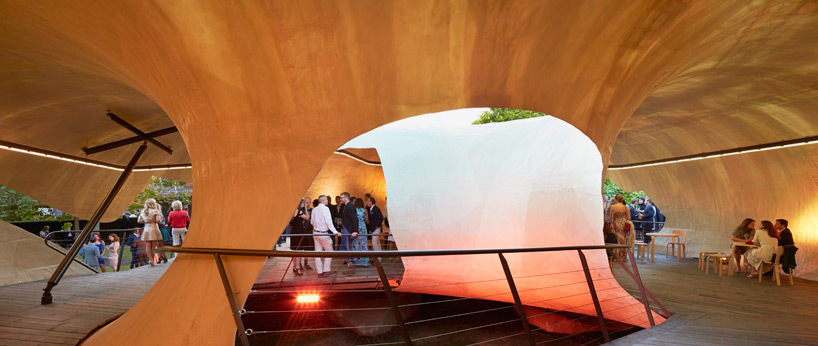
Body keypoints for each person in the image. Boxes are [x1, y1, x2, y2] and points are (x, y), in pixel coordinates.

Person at [310, 195, 339, 276]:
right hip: (323, 233)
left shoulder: (314, 209)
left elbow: (311, 222)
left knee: (317, 253)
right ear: (323, 200)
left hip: (315, 233)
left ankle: (319, 271)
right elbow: (329, 222)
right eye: (326, 199)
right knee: (329, 250)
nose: (327, 201)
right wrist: (335, 232)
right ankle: (326, 270)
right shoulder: (326, 209)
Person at [289, 198, 312, 276]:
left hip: (293, 233)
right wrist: (305, 208)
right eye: (303, 203)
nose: (304, 204)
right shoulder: (299, 211)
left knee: (294, 251)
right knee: (298, 251)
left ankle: (295, 266)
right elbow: (307, 218)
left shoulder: (292, 211)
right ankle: (298, 268)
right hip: (298, 233)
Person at [346, 197, 370, 273]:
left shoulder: (353, 211)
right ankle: (364, 261)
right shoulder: (364, 210)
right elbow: (367, 221)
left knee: (355, 244)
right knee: (363, 244)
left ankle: (356, 260)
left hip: (355, 229)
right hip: (363, 229)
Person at [138, 198, 163, 267]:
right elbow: (158, 220)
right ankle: (152, 260)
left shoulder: (143, 211)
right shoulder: (155, 211)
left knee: (148, 245)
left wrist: (146, 221)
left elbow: (139, 221)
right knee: (154, 246)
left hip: (146, 228)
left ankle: (150, 259)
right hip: (154, 228)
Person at [609, 194, 631, 262]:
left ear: (616, 199)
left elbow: (610, 217)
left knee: (616, 240)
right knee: (623, 240)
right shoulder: (625, 207)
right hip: (623, 225)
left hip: (615, 225)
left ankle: (615, 256)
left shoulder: (613, 207)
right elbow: (629, 217)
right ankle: (622, 256)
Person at [340, 192, 358, 257]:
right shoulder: (347, 206)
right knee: (344, 246)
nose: (340, 199)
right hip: (346, 228)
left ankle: (350, 260)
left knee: (346, 246)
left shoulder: (349, 206)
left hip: (348, 229)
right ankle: (349, 260)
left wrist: (355, 231)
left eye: (341, 198)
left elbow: (354, 218)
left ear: (346, 198)